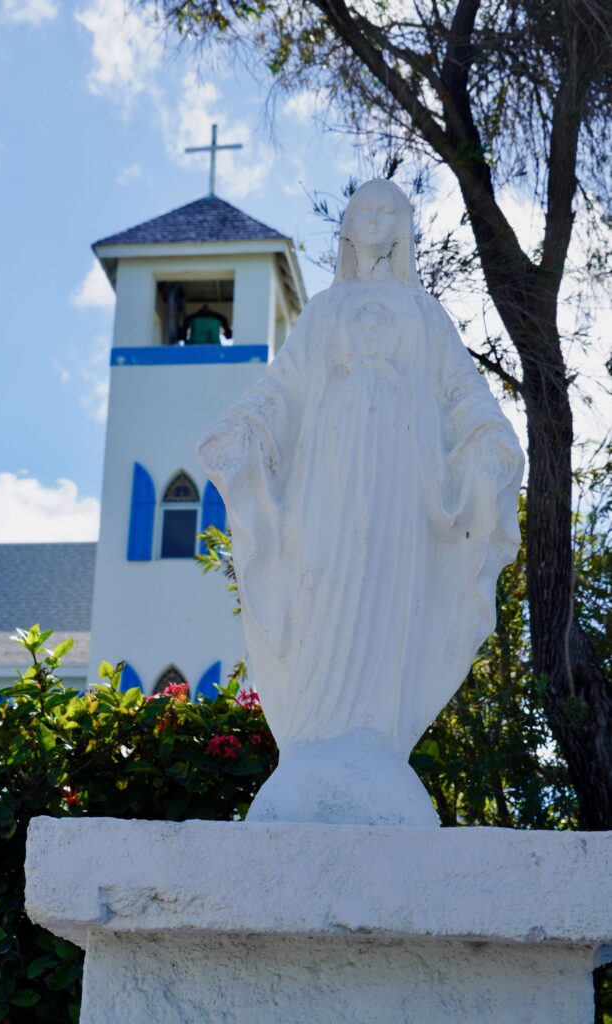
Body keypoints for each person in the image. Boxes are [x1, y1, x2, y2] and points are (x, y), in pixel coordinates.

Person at [197, 179, 523, 823]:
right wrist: (245, 428)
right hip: (329, 470)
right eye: (363, 208)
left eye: (388, 208)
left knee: (382, 585)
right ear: (347, 226)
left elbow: (461, 391)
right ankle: (316, 736)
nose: (374, 217)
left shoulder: (425, 313)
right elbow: (282, 388)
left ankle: (370, 736)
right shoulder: (323, 311)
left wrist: (489, 438)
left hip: (402, 476)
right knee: (319, 580)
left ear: (402, 227)